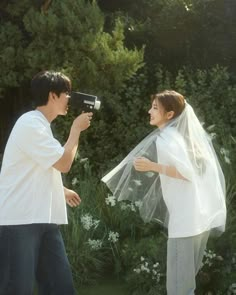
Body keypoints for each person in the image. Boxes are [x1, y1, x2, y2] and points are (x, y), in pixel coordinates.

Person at [102, 90, 226, 295]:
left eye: (155, 108)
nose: (149, 111)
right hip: (197, 220)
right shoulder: (182, 139)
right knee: (186, 285)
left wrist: (152, 166)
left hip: (185, 223)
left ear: (169, 115)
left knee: (178, 287)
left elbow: (186, 173)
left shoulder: (167, 139)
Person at [0, 70, 93, 295]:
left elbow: (32, 171)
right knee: (16, 288)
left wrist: (60, 189)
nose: (70, 99)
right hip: (20, 221)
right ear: (53, 95)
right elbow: (63, 163)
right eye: (67, 93)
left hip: (43, 219)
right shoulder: (30, 124)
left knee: (59, 287)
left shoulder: (40, 126)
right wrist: (75, 130)